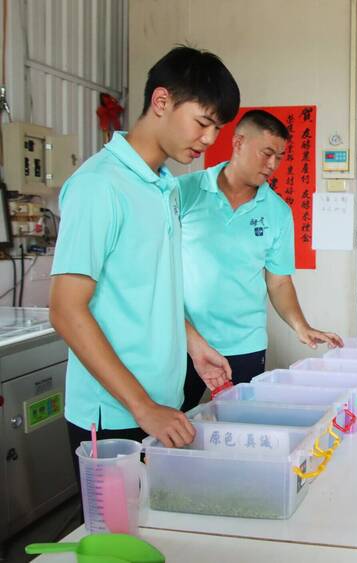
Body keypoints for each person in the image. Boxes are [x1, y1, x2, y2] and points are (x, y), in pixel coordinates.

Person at [50, 46, 239, 470]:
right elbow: (65, 309)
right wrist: (141, 406)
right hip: (115, 415)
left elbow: (153, 286)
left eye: (217, 128)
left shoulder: (166, 187)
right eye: (203, 123)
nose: (210, 140)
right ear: (161, 101)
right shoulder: (99, 186)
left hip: (159, 405)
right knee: (118, 535)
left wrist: (193, 343)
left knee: (160, 532)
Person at [179, 109, 343, 411]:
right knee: (171, 431)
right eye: (267, 153)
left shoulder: (278, 211)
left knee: (240, 431)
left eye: (279, 157)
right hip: (182, 340)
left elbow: (279, 281)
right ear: (238, 143)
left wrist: (301, 326)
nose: (273, 165)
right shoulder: (185, 192)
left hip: (245, 344)